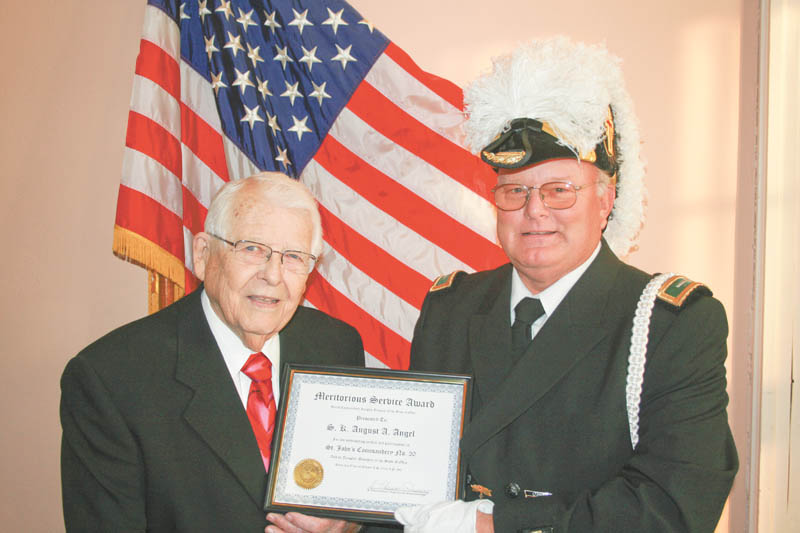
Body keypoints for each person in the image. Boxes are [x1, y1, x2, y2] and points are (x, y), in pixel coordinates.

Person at [395, 37, 738, 532]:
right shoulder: (450, 307)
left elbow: (673, 506)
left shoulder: (668, 324)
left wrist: (490, 527)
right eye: (515, 191)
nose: (535, 211)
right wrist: (345, 516)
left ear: (605, 200)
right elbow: (415, 467)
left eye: (560, 190)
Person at [60, 172, 364, 533]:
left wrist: (347, 527)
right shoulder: (110, 381)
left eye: (294, 257)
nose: (273, 275)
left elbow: (364, 497)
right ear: (203, 255)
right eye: (252, 248)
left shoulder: (337, 346)